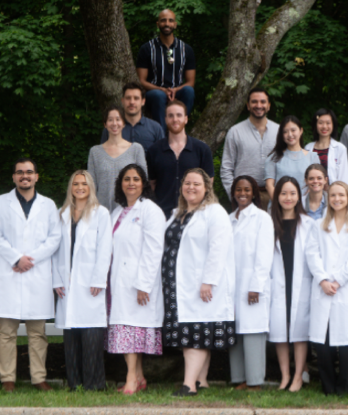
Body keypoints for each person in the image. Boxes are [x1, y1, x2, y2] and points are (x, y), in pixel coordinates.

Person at [0, 158, 62, 392]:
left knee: (37, 332)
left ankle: (39, 377)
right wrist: (16, 258)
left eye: (29, 172)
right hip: (9, 272)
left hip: (36, 273)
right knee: (7, 332)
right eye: (20, 172)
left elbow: (54, 238)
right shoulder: (0, 203)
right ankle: (8, 378)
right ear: (14, 177)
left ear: (37, 176)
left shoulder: (48, 205)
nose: (24, 176)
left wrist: (30, 259)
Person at [162, 168, 236, 397]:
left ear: (206, 188)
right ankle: (202, 380)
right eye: (187, 183)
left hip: (201, 284)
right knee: (194, 330)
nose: (191, 187)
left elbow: (218, 249)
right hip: (178, 283)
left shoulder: (214, 212)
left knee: (197, 331)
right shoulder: (177, 213)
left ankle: (189, 385)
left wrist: (208, 280)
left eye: (196, 184)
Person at [106, 164, 166, 395]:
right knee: (127, 329)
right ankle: (139, 376)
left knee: (131, 330)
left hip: (138, 283)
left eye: (136, 179)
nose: (131, 183)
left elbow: (154, 250)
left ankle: (131, 379)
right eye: (126, 179)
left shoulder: (150, 210)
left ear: (144, 184)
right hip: (119, 282)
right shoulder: (118, 212)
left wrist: (144, 284)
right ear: (120, 184)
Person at [308, 181, 348, 397]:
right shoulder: (317, 225)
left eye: (341, 195)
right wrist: (323, 280)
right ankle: (327, 385)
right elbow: (312, 254)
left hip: (347, 289)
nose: (337, 199)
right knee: (323, 343)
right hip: (323, 289)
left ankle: (344, 387)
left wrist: (338, 280)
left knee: (345, 342)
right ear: (328, 198)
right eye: (333, 195)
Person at [53, 171, 113, 391]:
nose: (79, 187)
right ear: (71, 187)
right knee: (71, 336)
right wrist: (56, 279)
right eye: (75, 184)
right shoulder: (62, 214)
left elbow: (105, 249)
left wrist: (99, 278)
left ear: (91, 188)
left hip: (91, 283)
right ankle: (74, 382)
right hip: (66, 283)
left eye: (84, 184)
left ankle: (94, 384)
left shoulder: (101, 214)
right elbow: (56, 251)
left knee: (91, 336)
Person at [269, 177, 322, 393]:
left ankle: (299, 375)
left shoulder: (309, 223)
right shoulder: (269, 222)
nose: (288, 198)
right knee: (280, 331)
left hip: (301, 282)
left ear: (299, 196)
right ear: (277, 196)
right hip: (277, 282)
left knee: (299, 331)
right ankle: (285, 376)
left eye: (292, 193)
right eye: (283, 193)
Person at [227, 176, 274, 392]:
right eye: (238, 189)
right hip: (232, 286)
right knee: (236, 331)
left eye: (247, 189)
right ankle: (238, 378)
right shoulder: (228, 218)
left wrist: (256, 285)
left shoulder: (262, 218)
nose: (242, 193)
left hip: (252, 285)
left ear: (254, 193)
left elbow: (264, 255)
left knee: (252, 331)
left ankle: (255, 380)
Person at [146, 100, 214, 214]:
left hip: (194, 214)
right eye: (170, 116)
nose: (175, 119)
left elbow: (208, 184)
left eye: (179, 115)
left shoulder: (202, 150)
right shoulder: (154, 150)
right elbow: (152, 184)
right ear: (166, 119)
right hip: (162, 215)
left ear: (186, 119)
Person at [220, 88, 280, 209]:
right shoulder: (235, 132)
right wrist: (234, 196)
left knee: (274, 228)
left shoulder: (279, 131)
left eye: (263, 102)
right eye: (254, 102)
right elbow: (226, 168)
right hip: (245, 197)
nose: (259, 105)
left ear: (268, 106)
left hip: (274, 196)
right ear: (248, 105)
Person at [136, 9, 196, 127]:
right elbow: (141, 81)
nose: (167, 24)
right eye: (163, 21)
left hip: (177, 91)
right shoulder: (147, 48)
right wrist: (163, 90)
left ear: (175, 24)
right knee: (159, 95)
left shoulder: (186, 49)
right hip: (154, 93)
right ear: (158, 24)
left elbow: (190, 82)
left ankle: (179, 127)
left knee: (189, 91)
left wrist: (175, 90)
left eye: (170, 20)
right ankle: (162, 137)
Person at [88, 103, 148, 211]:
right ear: (105, 124)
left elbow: (144, 182)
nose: (114, 123)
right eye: (110, 120)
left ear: (124, 123)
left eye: (118, 119)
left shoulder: (136, 149)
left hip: (129, 211)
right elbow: (91, 185)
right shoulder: (95, 152)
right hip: (101, 211)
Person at [100, 82, 165, 153]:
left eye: (136, 98)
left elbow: (161, 158)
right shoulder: (112, 128)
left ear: (143, 101)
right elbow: (103, 156)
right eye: (128, 98)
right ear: (122, 101)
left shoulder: (156, 128)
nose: (132, 102)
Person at [264, 116, 319, 198]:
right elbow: (269, 185)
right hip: (279, 206)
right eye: (285, 132)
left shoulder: (313, 157)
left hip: (305, 206)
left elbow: (316, 183)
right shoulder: (274, 158)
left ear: (301, 131)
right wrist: (279, 204)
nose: (290, 135)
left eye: (293, 130)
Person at [305, 108, 348, 187]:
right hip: (312, 194)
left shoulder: (340, 148)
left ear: (333, 125)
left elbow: (344, 178)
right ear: (315, 125)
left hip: (333, 194)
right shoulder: (308, 148)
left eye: (328, 123)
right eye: (321, 123)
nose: (324, 126)